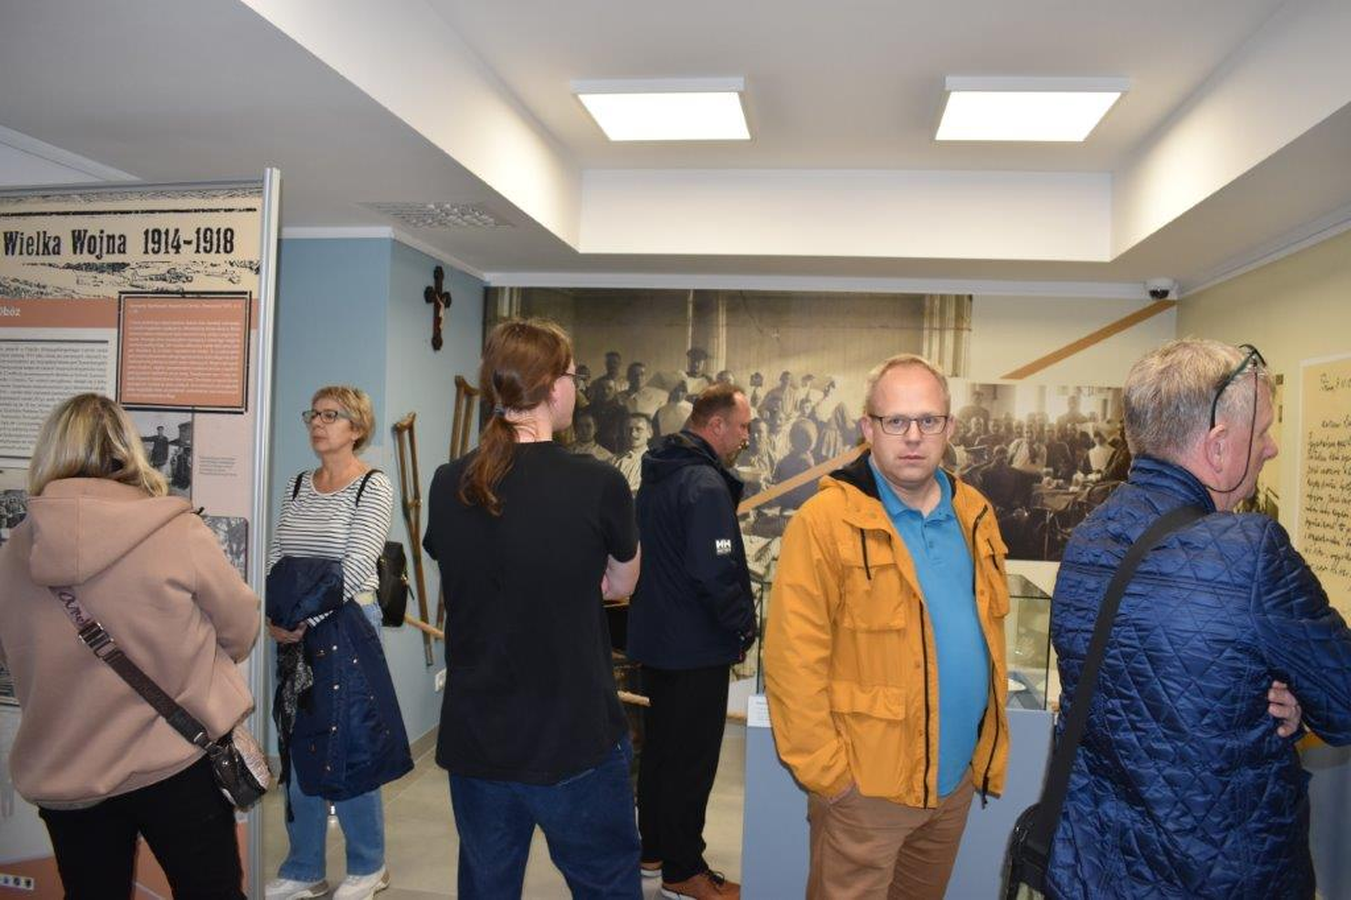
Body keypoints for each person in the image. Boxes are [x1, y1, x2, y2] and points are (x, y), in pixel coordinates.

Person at [1046, 339, 1349, 899]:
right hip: (1218, 878)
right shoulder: (1251, 552)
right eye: (1262, 433)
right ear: (1218, 446)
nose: (1272, 448)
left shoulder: (1089, 535)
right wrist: (1303, 697)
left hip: (1094, 869)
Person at [764, 354, 1011, 900]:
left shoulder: (974, 512)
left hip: (951, 784)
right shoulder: (825, 523)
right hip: (866, 791)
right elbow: (791, 661)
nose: (913, 436)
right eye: (896, 420)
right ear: (867, 427)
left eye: (928, 420)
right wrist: (832, 778)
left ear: (949, 427)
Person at [0, 393, 259, 898]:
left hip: (67, 770)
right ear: (128, 448)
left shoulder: (17, 552)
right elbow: (241, 626)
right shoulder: (173, 529)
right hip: (176, 759)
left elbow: (14, 654)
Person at [422, 318, 642, 900]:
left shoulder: (448, 482)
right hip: (574, 736)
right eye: (572, 376)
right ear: (551, 386)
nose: (577, 389)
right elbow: (622, 582)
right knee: (606, 887)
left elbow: (466, 571)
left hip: (478, 737)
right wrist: (576, 579)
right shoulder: (598, 483)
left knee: (486, 887)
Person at [266, 385, 412, 900]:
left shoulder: (372, 485)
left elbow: (357, 564)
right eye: (314, 414)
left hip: (346, 624)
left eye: (331, 415)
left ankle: (369, 865)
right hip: (294, 627)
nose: (318, 423)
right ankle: (304, 867)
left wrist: (304, 616)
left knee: (350, 744)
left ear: (357, 428)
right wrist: (275, 616)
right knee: (297, 741)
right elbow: (278, 557)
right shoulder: (296, 485)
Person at [628, 382, 756, 900]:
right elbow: (715, 571)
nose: (746, 437)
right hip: (695, 645)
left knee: (661, 755)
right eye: (742, 426)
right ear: (716, 424)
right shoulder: (703, 483)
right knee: (691, 763)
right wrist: (742, 625)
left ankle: (653, 855)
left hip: (660, 640)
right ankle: (683, 871)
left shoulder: (660, 472)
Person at [614, 412, 653, 493]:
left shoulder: (655, 463)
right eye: (629, 429)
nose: (632, 433)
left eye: (638, 429)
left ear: (650, 433)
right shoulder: (614, 461)